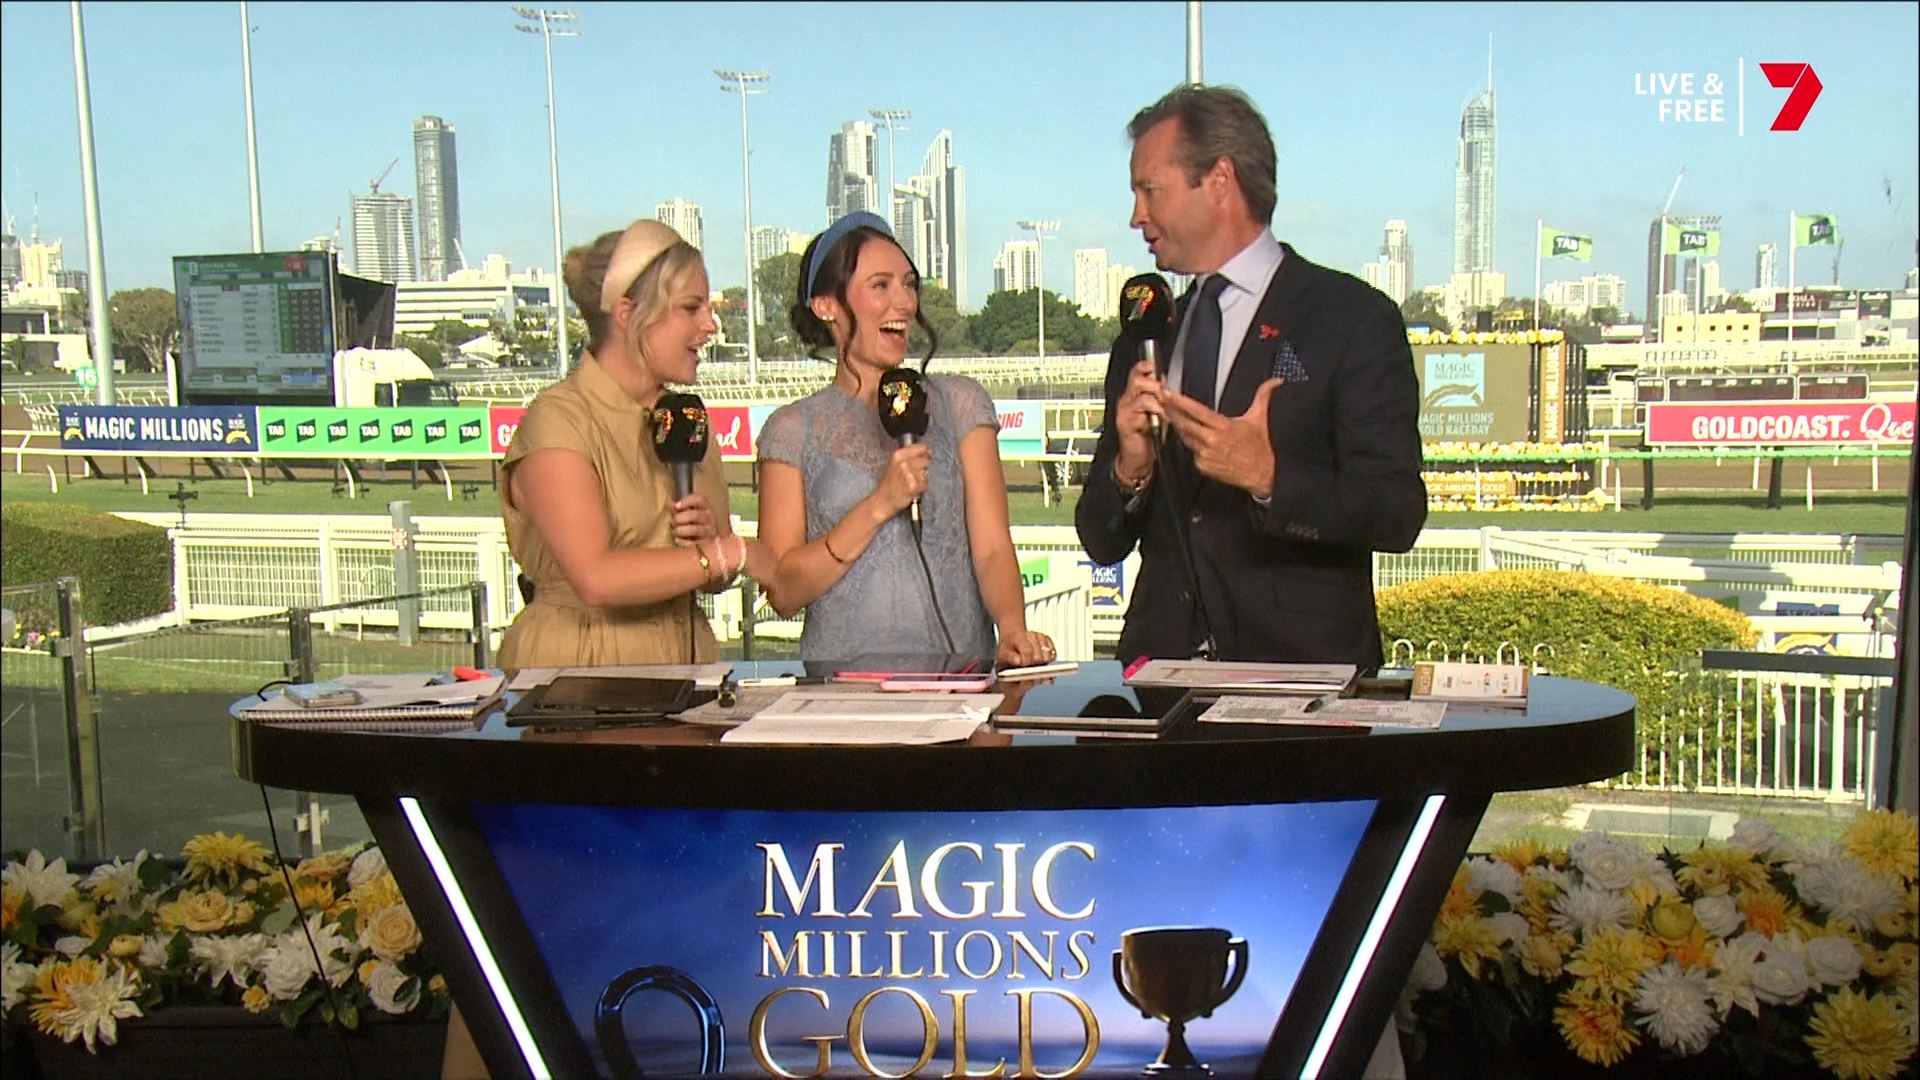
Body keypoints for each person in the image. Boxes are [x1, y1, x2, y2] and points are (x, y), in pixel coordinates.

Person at [1076, 84, 1427, 670]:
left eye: (1149, 190)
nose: (1136, 216)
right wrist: (1130, 469)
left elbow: (1397, 512)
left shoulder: (1351, 319)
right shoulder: (1145, 338)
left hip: (1301, 685)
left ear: (1220, 180)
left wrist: (1269, 478)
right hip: (1159, 685)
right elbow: (1100, 538)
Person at [756, 211, 1055, 668]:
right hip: (841, 692)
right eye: (881, 286)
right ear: (826, 306)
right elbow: (783, 591)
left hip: (960, 684)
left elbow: (992, 547)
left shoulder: (960, 403)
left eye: (909, 284)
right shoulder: (791, 429)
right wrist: (881, 504)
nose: (904, 303)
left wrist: (1013, 628)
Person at [497, 217, 756, 669]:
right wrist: (723, 554)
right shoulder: (558, 420)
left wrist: (711, 544)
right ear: (627, 313)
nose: (710, 325)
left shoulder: (687, 421)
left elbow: (714, 573)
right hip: (580, 669)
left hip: (686, 662)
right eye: (691, 308)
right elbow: (596, 578)